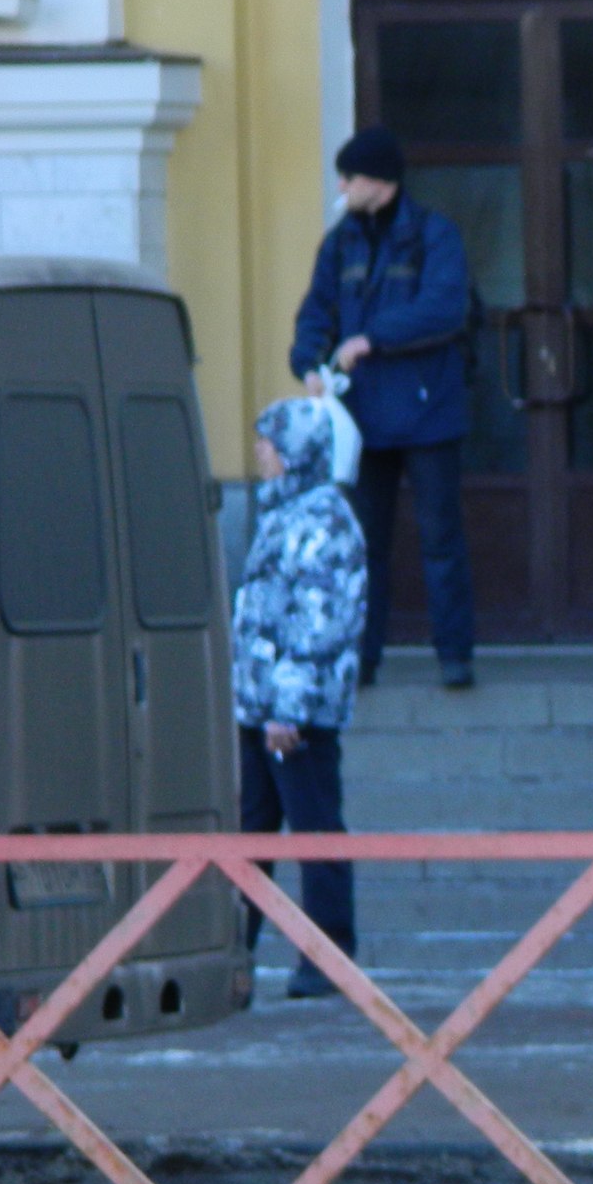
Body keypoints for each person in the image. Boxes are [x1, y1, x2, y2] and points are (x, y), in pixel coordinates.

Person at [290, 123, 478, 691]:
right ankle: (362, 659)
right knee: (364, 544)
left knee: (440, 540)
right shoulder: (339, 243)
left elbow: (445, 308)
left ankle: (455, 657)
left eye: (349, 177)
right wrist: (307, 364)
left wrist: (371, 339)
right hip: (363, 420)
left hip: (428, 415)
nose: (341, 186)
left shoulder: (434, 235)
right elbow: (316, 312)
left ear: (379, 180)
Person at [233, 398, 368, 1001]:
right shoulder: (283, 512)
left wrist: (288, 707)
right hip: (261, 708)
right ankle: (233, 956)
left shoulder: (325, 521)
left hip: (295, 716)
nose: (259, 452)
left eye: (268, 441)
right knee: (251, 836)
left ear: (296, 451)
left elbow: (319, 623)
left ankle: (328, 956)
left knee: (315, 831)